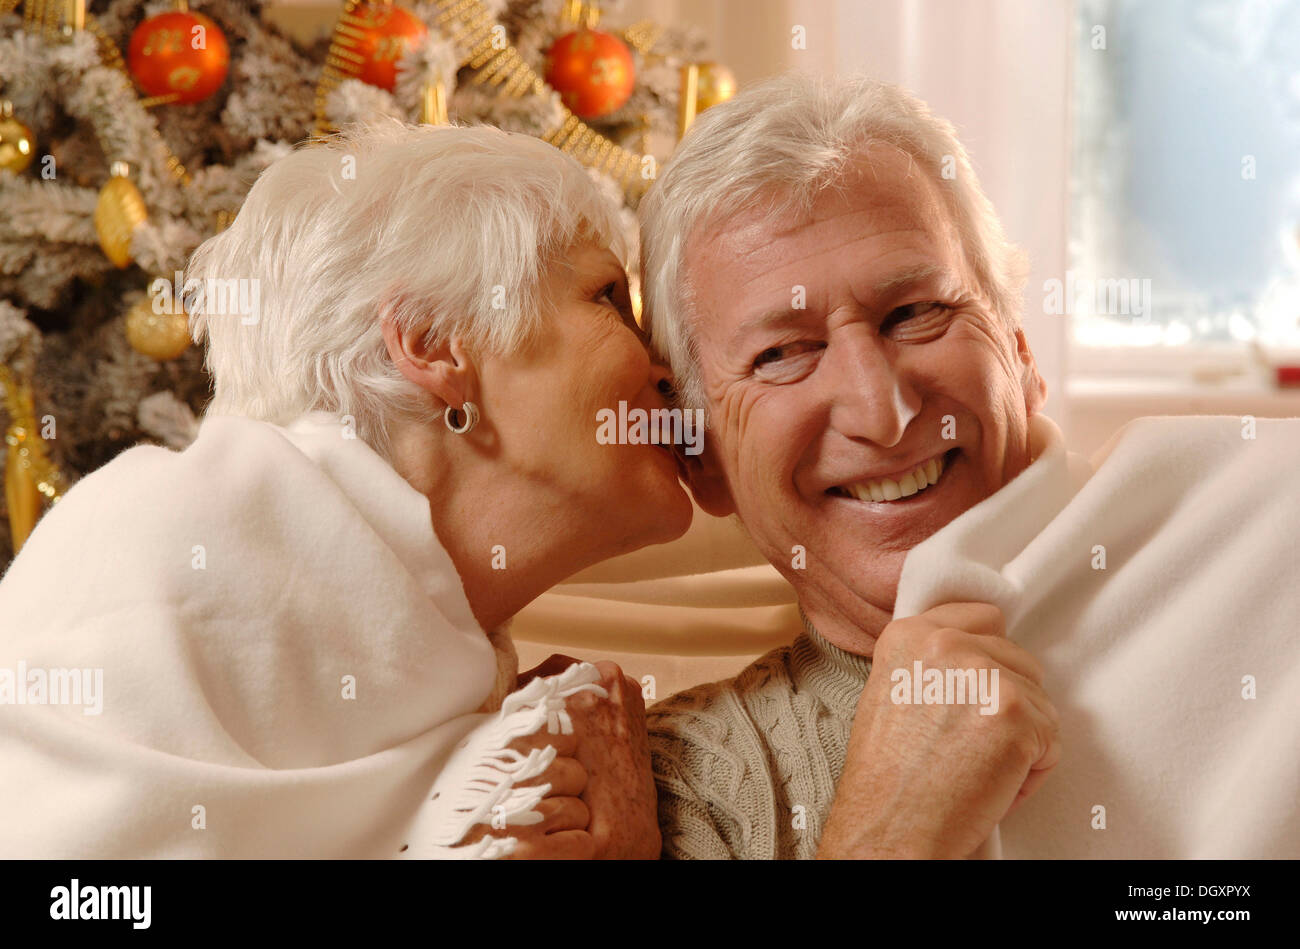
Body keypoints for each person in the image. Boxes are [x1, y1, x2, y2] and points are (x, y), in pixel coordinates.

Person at [639, 72, 1300, 859]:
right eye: (782, 353)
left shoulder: (1270, 522)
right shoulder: (682, 788)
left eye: (916, 312)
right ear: (702, 457)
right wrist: (896, 831)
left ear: (1020, 353)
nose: (880, 412)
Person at [0, 121, 688, 859]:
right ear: (432, 342)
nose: (664, 367)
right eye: (610, 297)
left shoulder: (490, 712)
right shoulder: (145, 545)